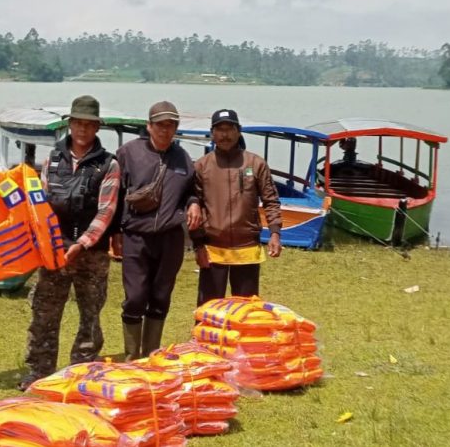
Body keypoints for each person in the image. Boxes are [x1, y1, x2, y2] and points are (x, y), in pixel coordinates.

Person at [18, 95, 121, 391]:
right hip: (54, 250)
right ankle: (38, 371)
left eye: (89, 124)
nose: (82, 129)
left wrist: (84, 243)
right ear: (70, 124)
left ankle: (82, 372)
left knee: (90, 314)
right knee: (44, 312)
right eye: (78, 123)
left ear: (97, 127)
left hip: (92, 252)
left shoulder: (109, 164)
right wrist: (47, 242)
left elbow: (106, 210)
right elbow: (41, 203)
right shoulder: (52, 158)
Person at [116, 101, 200, 361]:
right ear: (149, 126)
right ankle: (132, 356)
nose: (166, 130)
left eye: (171, 125)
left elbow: (191, 190)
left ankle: (151, 354)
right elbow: (114, 195)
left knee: (161, 295)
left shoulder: (183, 158)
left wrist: (194, 203)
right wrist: (115, 232)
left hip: (170, 237)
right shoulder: (128, 153)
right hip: (135, 236)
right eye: (161, 124)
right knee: (135, 296)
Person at [191, 109, 282, 307]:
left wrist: (275, 233)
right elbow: (193, 205)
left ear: (238, 131)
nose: (225, 134)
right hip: (213, 249)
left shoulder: (255, 163)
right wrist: (198, 245)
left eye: (230, 129)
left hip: (247, 248)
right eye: (220, 129)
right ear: (212, 133)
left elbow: (271, 200)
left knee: (246, 311)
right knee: (209, 311)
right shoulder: (201, 166)